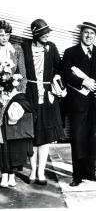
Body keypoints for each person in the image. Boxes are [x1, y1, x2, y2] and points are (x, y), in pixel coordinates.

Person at [61, 22, 96, 186]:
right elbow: (65, 74)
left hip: (95, 103)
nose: (89, 36)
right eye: (86, 32)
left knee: (91, 137)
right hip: (77, 104)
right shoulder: (70, 53)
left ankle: (90, 172)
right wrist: (83, 82)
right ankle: (77, 175)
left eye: (92, 33)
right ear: (81, 34)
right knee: (77, 138)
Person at [22, 19, 66, 185]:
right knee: (32, 135)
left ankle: (41, 172)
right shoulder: (25, 48)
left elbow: (59, 68)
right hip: (30, 96)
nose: (47, 34)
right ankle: (33, 171)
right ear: (35, 33)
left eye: (48, 32)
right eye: (43, 32)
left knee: (45, 136)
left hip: (47, 98)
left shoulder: (52, 47)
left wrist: (56, 80)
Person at [0, 20, 33, 188]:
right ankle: (3, 173)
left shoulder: (17, 50)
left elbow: (23, 76)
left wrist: (16, 93)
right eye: (0, 34)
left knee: (13, 136)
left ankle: (12, 172)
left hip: (13, 97)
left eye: (6, 34)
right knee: (1, 139)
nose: (3, 37)